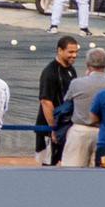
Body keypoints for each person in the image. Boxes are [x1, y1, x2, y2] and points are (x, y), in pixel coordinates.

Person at [57, 45, 105, 167]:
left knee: (72, 173)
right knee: (100, 174)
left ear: (87, 64)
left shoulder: (77, 83)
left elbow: (67, 101)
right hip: (103, 133)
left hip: (79, 132)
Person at [36, 36, 79, 166]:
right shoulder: (50, 72)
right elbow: (46, 102)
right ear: (59, 50)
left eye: (76, 52)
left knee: (66, 162)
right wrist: (53, 129)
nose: (74, 55)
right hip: (51, 128)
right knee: (49, 165)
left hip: (65, 125)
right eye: (70, 52)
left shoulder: (71, 70)